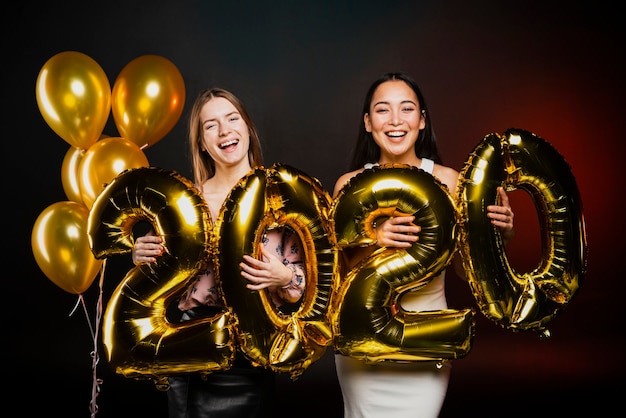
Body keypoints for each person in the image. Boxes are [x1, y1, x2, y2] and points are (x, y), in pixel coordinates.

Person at [332, 72, 515, 418]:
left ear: (422, 120)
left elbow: (465, 270)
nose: (396, 120)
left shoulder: (449, 181)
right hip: (364, 341)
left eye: (407, 108)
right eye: (383, 110)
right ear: (368, 123)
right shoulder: (350, 185)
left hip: (427, 336)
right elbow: (334, 274)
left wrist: (497, 237)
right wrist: (374, 238)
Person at [132, 87, 306, 418]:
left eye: (232, 119)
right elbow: (159, 275)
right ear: (201, 142)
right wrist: (140, 256)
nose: (224, 131)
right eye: (210, 125)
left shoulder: (281, 198)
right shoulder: (184, 202)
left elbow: (307, 287)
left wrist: (284, 276)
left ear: (247, 128)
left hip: (253, 346)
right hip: (190, 342)